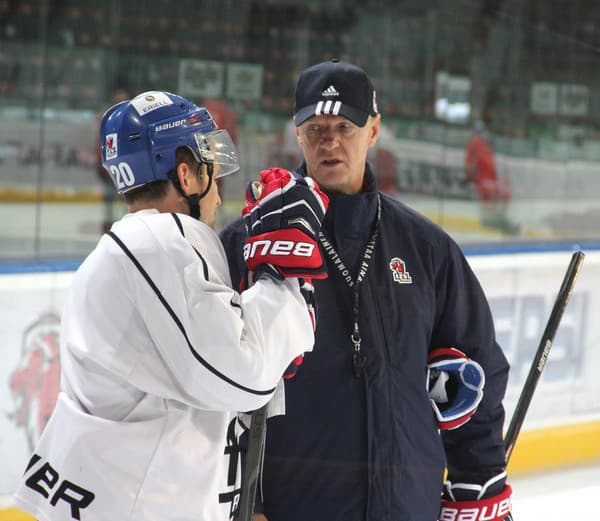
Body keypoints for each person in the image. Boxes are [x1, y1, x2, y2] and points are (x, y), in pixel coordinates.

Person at [13, 90, 329, 521]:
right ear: (186, 174)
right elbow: (246, 374)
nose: (218, 191)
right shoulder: (159, 244)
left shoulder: (129, 251)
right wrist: (284, 278)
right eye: (210, 172)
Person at [220, 60, 514, 521]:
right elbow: (216, 386)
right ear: (296, 134)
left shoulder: (426, 248)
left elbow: (472, 376)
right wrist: (246, 502)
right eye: (315, 127)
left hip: (406, 508)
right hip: (293, 507)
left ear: (373, 130)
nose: (329, 141)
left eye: (345, 126)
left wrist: (480, 483)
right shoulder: (249, 242)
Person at [464, 119, 519, 234]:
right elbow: (470, 166)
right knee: (504, 192)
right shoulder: (475, 142)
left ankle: (497, 218)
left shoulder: (483, 145)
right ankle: (496, 219)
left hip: (489, 181)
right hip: (484, 182)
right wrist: (474, 179)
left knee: (505, 192)